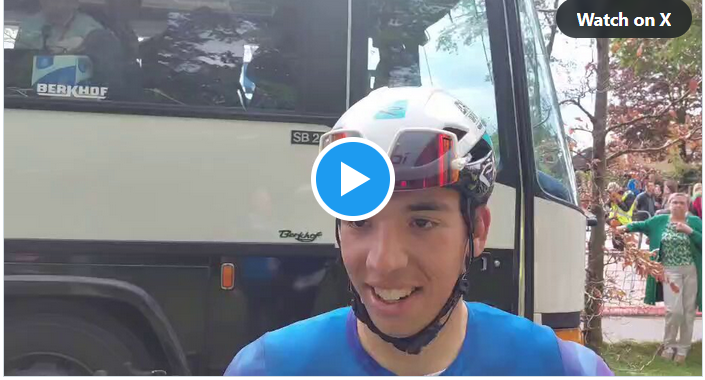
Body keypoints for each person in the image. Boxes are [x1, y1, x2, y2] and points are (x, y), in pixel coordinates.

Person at [225, 87, 613, 375]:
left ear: (477, 231)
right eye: (359, 222)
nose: (384, 262)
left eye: (421, 223)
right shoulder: (268, 369)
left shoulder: (559, 369)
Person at [617, 193, 702, 364]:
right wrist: (622, 228)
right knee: (674, 311)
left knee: (688, 311)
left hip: (691, 271)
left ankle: (683, 348)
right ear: (669, 204)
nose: (678, 205)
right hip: (669, 272)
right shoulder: (660, 221)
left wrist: (690, 231)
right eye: (674, 202)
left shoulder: (694, 222)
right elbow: (640, 225)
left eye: (682, 203)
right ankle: (668, 346)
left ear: (687, 206)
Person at [15, 0, 104, 53]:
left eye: (67, 0)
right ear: (42, 0)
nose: (60, 5)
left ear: (76, 2)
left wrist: (82, 45)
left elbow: (102, 60)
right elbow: (19, 60)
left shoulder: (92, 29)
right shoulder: (28, 26)